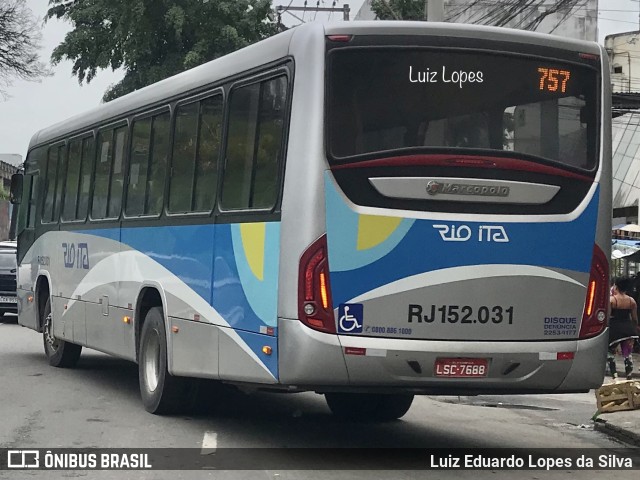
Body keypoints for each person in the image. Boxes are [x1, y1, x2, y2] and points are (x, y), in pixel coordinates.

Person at [607, 277, 639, 379]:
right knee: (627, 353)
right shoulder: (631, 301)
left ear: (616, 286)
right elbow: (634, 319)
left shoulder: (612, 300)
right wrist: (635, 329)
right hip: (628, 329)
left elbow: (607, 316)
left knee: (610, 352)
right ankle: (629, 376)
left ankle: (614, 376)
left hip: (615, 330)